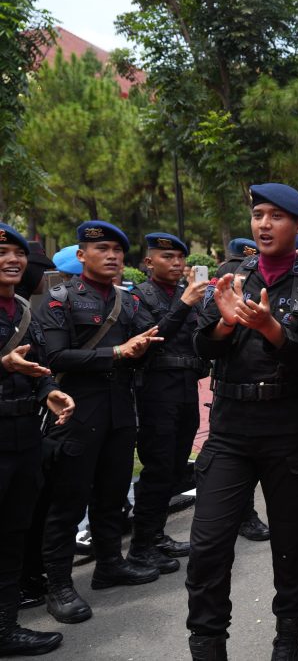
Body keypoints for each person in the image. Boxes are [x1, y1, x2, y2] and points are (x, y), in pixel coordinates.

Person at [187, 183, 298, 661]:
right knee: (207, 545)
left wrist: (272, 330)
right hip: (230, 428)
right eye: (258, 215)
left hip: (289, 428)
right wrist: (224, 324)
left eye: (276, 216)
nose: (263, 224)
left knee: (289, 544)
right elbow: (202, 351)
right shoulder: (230, 276)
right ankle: (207, 643)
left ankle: (287, 637)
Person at [32, 221, 162, 624]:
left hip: (120, 410)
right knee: (68, 501)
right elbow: (55, 358)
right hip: (76, 411)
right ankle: (58, 585)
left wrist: (143, 348)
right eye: (102, 249)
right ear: (82, 254)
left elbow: (150, 342)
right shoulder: (60, 299)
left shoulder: (130, 302)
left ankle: (110, 564)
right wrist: (119, 353)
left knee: (111, 493)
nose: (112, 256)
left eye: (117, 251)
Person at [0, 223, 74, 656]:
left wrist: (51, 394)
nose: (12, 260)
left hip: (25, 438)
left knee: (13, 535)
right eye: (2, 253)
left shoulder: (24, 311)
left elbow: (39, 369)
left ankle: (6, 628)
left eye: (17, 253)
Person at [128, 233, 209, 576]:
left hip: (186, 388)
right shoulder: (139, 297)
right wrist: (186, 304)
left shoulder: (182, 294)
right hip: (156, 391)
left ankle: (157, 536)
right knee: (158, 468)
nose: (177, 264)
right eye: (168, 257)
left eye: (180, 258)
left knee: (176, 468)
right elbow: (152, 338)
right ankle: (141, 547)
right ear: (148, 262)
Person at [213, 238, 271, 545]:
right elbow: (206, 342)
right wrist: (224, 324)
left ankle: (247, 516)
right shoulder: (228, 282)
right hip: (233, 397)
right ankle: (244, 516)